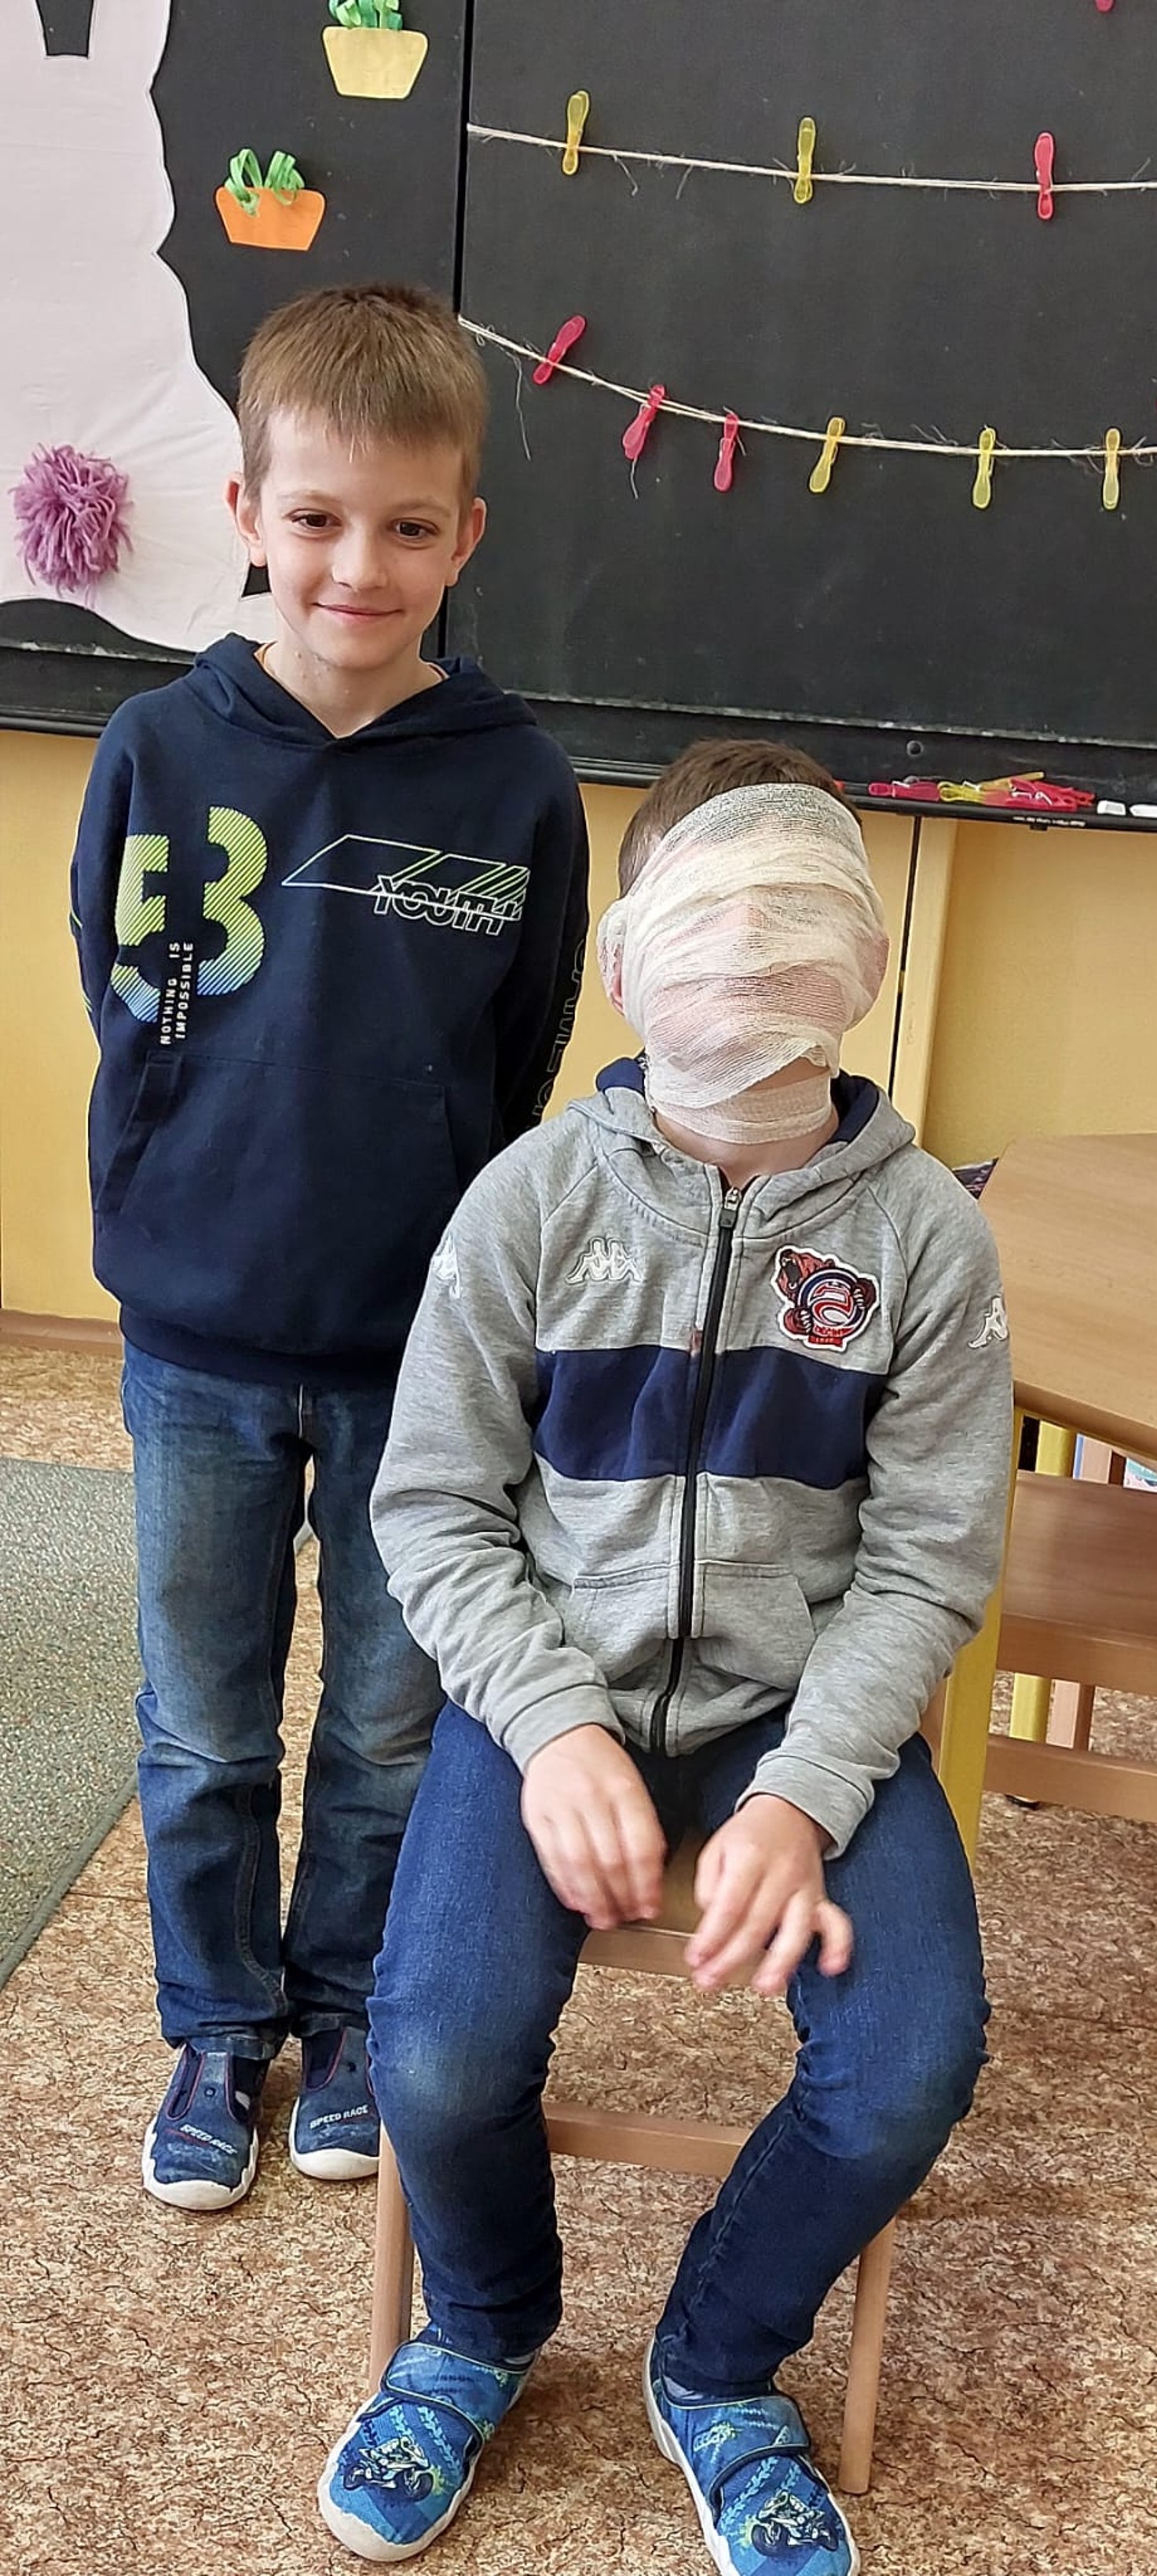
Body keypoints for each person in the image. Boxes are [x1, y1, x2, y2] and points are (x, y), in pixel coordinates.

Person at [317, 738, 1013, 2574]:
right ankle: (479, 2327)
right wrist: (551, 1725)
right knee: (436, 2050)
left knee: (911, 2058)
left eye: (796, 922)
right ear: (628, 958)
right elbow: (434, 1507)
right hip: (553, 1692)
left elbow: (931, 1556)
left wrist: (806, 1788)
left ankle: (715, 2358)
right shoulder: (532, 1200)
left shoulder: (922, 1236)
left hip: (806, 1709)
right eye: (716, 920)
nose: (754, 964)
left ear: (864, 958)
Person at [69, 281, 589, 2213]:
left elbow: (524, 1046)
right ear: (245, 511)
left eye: (404, 525)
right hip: (196, 1337)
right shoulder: (153, 743)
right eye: (314, 518)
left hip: (420, 1355)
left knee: (387, 1716)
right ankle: (219, 2023)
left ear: (466, 536)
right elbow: (127, 996)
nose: (355, 565)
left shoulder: (515, 785)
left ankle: (351, 2004)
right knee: (202, 1719)